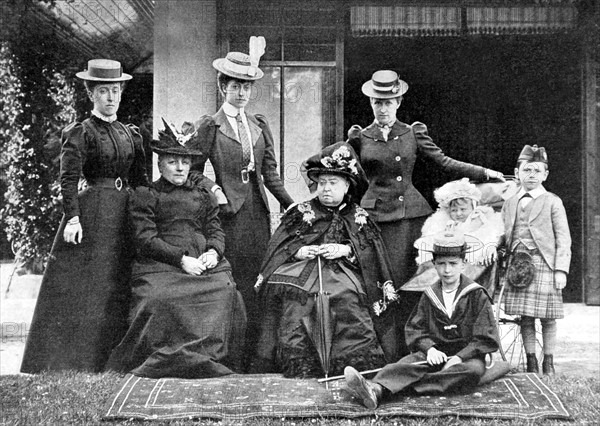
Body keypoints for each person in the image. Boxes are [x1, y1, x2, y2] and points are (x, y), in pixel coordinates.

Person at [346, 70, 505, 359]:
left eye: (389, 102)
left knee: (412, 284)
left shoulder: (412, 133)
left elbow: (444, 162)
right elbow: (346, 174)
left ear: (399, 101)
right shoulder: (359, 137)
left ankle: (417, 348)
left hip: (410, 220)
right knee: (379, 285)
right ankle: (384, 352)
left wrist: (486, 172)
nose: (383, 108)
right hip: (375, 220)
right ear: (370, 103)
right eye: (377, 103)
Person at [21, 60, 149, 373]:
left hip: (124, 214)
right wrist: (73, 219)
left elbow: (141, 180)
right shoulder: (82, 132)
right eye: (103, 90)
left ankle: (114, 357)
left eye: (115, 90)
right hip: (93, 215)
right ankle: (77, 359)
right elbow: (68, 178)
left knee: (119, 282)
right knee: (91, 286)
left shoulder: (128, 133)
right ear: (91, 93)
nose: (111, 97)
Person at [106, 121, 246, 378]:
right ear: (160, 165)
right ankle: (165, 358)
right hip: (161, 263)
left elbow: (215, 230)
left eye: (185, 162)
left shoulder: (204, 195)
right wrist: (181, 260)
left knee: (225, 292)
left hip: (202, 262)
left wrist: (213, 252)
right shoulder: (146, 194)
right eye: (172, 162)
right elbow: (145, 239)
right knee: (159, 297)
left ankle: (210, 358)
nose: (180, 168)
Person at [252, 143, 398, 378]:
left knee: (347, 297)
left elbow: (372, 254)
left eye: (333, 183)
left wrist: (344, 249)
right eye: (322, 183)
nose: (326, 189)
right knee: (298, 300)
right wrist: (299, 252)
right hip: (303, 271)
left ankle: (350, 364)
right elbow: (279, 247)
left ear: (347, 185)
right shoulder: (301, 212)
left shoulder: (359, 216)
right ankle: (304, 364)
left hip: (345, 272)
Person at [191, 42, 294, 368]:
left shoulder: (259, 125)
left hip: (257, 213)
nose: (241, 93)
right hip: (229, 216)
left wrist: (291, 206)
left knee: (258, 282)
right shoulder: (210, 125)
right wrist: (214, 189)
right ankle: (230, 356)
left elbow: (270, 174)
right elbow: (191, 171)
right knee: (233, 284)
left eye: (246, 86)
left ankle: (258, 357)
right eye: (235, 86)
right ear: (223, 86)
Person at [344, 230, 500, 409]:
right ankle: (375, 387)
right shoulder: (429, 294)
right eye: (441, 264)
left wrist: (458, 357)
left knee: (471, 372)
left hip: (467, 356)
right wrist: (430, 349)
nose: (447, 270)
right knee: (406, 363)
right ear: (433, 264)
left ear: (463, 264)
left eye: (453, 263)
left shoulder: (476, 294)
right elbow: (415, 329)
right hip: (434, 353)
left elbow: (485, 337)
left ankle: (385, 389)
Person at [500, 144, 571, 375]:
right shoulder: (510, 203)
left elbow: (563, 238)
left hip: (544, 263)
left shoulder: (553, 201)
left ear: (545, 175)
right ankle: (531, 362)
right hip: (517, 265)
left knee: (548, 317)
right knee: (526, 316)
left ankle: (548, 362)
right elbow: (503, 232)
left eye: (537, 171)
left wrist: (561, 270)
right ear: (517, 172)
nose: (531, 175)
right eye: (527, 170)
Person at [404, 178, 504, 295]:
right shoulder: (443, 222)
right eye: (454, 210)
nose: (458, 214)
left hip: (472, 262)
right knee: (431, 270)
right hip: (446, 259)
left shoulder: (481, 219)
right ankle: (421, 292)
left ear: (473, 208)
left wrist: (491, 246)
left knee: (456, 271)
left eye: (463, 209)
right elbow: (431, 241)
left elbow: (493, 235)